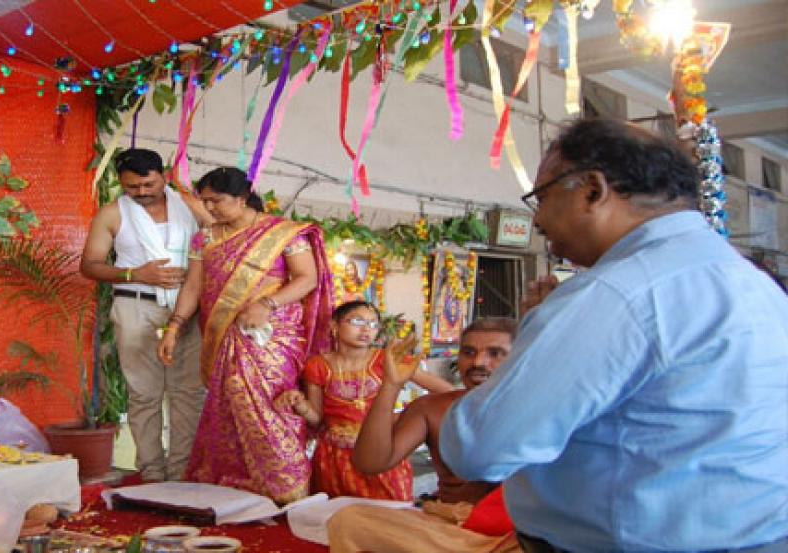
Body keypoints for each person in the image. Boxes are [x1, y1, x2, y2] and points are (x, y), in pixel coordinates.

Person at [441, 118, 788, 551]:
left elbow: (479, 447)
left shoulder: (618, 292)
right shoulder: (749, 280)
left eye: (542, 198)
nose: (539, 221)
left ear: (592, 189)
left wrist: (533, 340)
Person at [157, 166, 333, 504]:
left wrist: (267, 304)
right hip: (223, 335)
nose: (209, 209)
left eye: (216, 201)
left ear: (242, 198)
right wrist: (174, 327)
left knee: (271, 405)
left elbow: (306, 278)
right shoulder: (205, 238)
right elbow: (194, 285)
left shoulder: (283, 233)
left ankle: (287, 487)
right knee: (230, 406)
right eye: (204, 201)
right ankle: (237, 487)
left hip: (271, 338)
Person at [325, 317, 519, 553]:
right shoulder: (432, 408)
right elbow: (370, 463)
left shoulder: (542, 411)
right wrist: (391, 384)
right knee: (349, 520)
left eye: (495, 353)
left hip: (510, 534)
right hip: (445, 529)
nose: (478, 362)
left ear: (520, 358)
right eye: (468, 352)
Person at [79, 148, 209, 482]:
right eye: (132, 187)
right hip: (135, 303)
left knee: (187, 393)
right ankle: (152, 472)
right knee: (144, 393)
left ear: (163, 176)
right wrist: (135, 274)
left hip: (187, 307)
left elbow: (223, 241)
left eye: (148, 184)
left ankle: (181, 472)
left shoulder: (190, 207)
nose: (141, 193)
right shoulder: (112, 214)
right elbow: (89, 265)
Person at [276, 300, 453, 501]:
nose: (366, 330)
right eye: (357, 321)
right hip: (335, 457)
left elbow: (446, 392)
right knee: (337, 520)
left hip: (380, 453)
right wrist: (300, 404)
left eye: (373, 324)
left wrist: (406, 418)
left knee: (388, 517)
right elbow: (317, 419)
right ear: (334, 326)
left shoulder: (387, 360)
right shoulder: (318, 366)